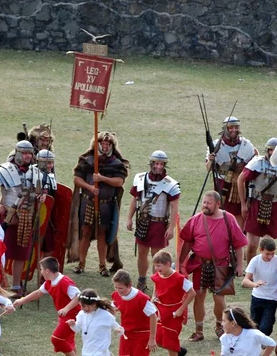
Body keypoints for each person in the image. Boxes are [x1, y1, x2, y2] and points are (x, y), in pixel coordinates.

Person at [178, 190, 246, 340]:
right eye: (204, 202)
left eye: (209, 203)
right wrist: (181, 263)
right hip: (199, 264)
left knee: (219, 298)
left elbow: (238, 244)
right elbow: (187, 242)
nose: (205, 205)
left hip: (221, 264)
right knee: (199, 296)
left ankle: (220, 326)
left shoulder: (229, 219)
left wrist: (240, 265)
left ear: (218, 204)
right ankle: (199, 330)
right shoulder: (196, 219)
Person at [0, 139, 35, 297]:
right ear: (17, 153)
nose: (27, 156)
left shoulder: (34, 170)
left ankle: (16, 285)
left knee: (21, 253)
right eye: (24, 153)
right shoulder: (7, 169)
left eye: (29, 154)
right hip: (8, 216)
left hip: (26, 216)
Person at [72, 132, 129, 276]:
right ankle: (81, 263)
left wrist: (102, 178)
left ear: (111, 145)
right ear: (97, 144)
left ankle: (102, 266)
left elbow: (119, 181)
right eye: (102, 143)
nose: (105, 146)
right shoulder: (87, 160)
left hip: (105, 204)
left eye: (107, 144)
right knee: (85, 232)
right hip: (88, 201)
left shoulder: (116, 163)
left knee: (103, 234)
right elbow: (77, 179)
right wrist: (90, 187)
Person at [126, 150, 180, 292]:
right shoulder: (140, 178)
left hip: (159, 223)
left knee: (157, 256)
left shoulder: (171, 184)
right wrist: (129, 218)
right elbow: (134, 200)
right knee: (142, 252)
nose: (159, 167)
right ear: (152, 164)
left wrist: (171, 227)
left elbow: (174, 208)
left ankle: (158, 282)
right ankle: (142, 280)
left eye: (161, 164)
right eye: (156, 163)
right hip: (143, 222)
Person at [13, 256, 81, 356]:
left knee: (57, 339)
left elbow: (79, 296)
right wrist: (22, 301)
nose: (40, 272)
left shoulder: (65, 282)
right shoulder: (49, 282)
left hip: (72, 315)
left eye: (41, 269)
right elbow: (38, 293)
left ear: (47, 271)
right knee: (67, 340)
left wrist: (66, 308)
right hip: (64, 316)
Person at [237, 137, 277, 263]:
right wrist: (243, 204)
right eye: (271, 150)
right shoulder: (257, 163)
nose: (273, 153)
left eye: (276, 151)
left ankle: (267, 269)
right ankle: (250, 272)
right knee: (252, 245)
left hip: (275, 205)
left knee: (269, 245)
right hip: (256, 203)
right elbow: (241, 179)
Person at [206, 115, 257, 228]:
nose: (234, 130)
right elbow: (209, 168)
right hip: (222, 183)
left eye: (236, 127)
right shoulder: (216, 145)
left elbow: (254, 166)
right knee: (220, 212)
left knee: (239, 214)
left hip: (240, 185)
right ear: (225, 129)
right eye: (230, 128)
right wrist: (211, 160)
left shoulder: (246, 145)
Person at [151, 250, 195, 356]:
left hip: (173, 314)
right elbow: (156, 284)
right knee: (159, 339)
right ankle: (179, 351)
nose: (156, 269)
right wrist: (154, 296)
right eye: (155, 266)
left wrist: (180, 310)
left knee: (170, 343)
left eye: (159, 266)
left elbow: (192, 294)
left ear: (168, 264)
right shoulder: (158, 276)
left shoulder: (179, 279)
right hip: (160, 312)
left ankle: (176, 351)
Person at [241, 237, 277, 336]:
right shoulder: (255, 261)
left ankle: (262, 342)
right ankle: (256, 346)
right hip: (257, 297)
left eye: (272, 253)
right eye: (267, 254)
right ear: (260, 250)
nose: (270, 257)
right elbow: (245, 281)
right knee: (254, 325)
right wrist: (255, 284)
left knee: (266, 327)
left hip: (272, 298)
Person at [111, 269, 158, 356]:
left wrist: (152, 338)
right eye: (116, 287)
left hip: (141, 336)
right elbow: (111, 309)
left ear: (129, 285)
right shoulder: (116, 295)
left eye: (120, 288)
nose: (118, 291)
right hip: (126, 335)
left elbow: (153, 316)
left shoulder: (141, 299)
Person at [67, 289, 123, 356]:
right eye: (81, 306)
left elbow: (118, 328)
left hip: (101, 352)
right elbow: (78, 329)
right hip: (87, 351)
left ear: (94, 304)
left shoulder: (105, 315)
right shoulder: (81, 314)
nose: (82, 308)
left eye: (84, 306)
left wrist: (119, 330)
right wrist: (73, 325)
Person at [31, 149, 58, 260]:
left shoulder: (50, 176)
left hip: (47, 216)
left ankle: (44, 273)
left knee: (49, 247)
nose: (50, 165)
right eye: (47, 163)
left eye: (51, 162)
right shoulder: (32, 174)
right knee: (32, 247)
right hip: (34, 216)